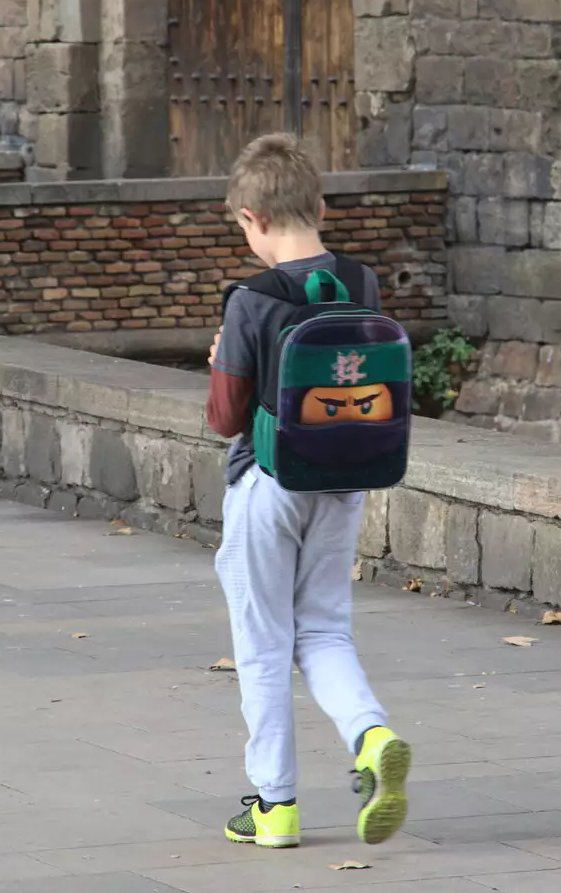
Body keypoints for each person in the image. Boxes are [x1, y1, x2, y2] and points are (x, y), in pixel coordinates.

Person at [205, 133, 412, 850]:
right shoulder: (362, 284)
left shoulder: (252, 299)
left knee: (263, 641)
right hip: (347, 477)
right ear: (319, 207)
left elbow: (226, 417)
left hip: (269, 483)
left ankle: (275, 804)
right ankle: (371, 732)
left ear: (252, 219)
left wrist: (218, 361)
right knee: (323, 628)